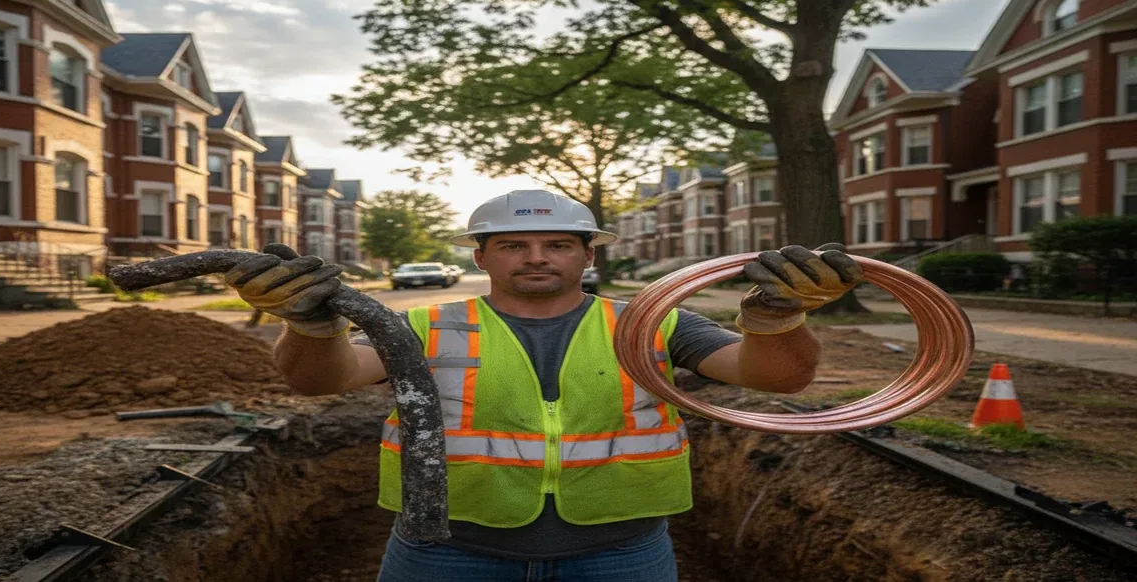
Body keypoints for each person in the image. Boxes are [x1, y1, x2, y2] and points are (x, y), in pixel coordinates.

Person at [225, 189, 863, 582]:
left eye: (558, 244)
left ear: (589, 256)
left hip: (620, 551)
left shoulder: (650, 321)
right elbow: (323, 378)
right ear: (481, 257)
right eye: (513, 245)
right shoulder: (423, 324)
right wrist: (309, 326)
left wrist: (777, 317)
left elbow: (776, 377)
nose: (536, 257)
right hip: (447, 551)